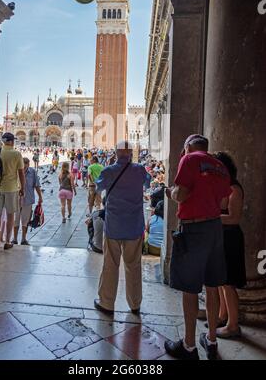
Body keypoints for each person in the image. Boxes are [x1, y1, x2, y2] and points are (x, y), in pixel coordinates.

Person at [164, 134, 231, 361]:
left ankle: (189, 346)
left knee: (189, 287)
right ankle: (211, 341)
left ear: (188, 146)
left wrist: (170, 192)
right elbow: (222, 201)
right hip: (215, 227)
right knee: (212, 286)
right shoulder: (220, 165)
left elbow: (181, 195)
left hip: (194, 229)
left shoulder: (190, 159)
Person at [94, 141, 151, 315]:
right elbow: (147, 184)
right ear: (131, 153)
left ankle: (107, 303)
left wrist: (110, 164)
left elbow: (98, 187)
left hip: (114, 226)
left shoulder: (109, 171)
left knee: (110, 265)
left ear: (116, 153)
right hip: (134, 226)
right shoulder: (140, 170)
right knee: (133, 266)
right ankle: (135, 304)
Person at [213, 152, 246, 339]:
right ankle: (222, 316)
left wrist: (210, 215)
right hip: (222, 236)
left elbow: (234, 218)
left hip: (231, 238)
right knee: (221, 281)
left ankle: (233, 325)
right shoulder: (224, 186)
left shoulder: (235, 189)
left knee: (228, 283)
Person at [0, 132, 25, 251]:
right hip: (11, 189)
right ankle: (7, 241)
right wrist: (23, 188)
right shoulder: (16, 154)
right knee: (11, 215)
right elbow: (21, 173)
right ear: (11, 141)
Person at [13, 157, 43, 245]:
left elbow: (37, 185)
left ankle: (23, 239)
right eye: (23, 164)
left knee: (25, 221)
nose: (25, 166)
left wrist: (40, 197)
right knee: (16, 219)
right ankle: (14, 239)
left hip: (28, 199)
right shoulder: (16, 171)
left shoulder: (32, 172)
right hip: (16, 199)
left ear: (29, 164)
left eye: (27, 164)